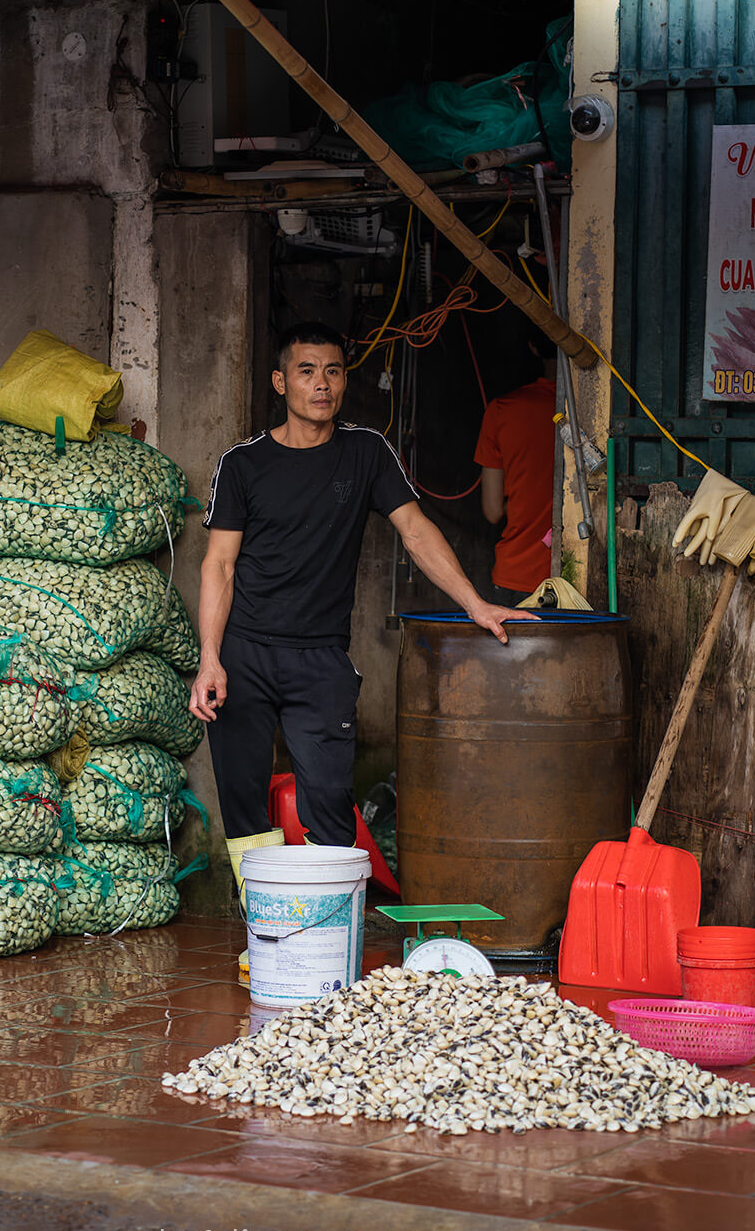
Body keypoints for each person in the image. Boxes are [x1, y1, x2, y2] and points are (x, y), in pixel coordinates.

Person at [189, 321, 537, 929]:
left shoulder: (366, 452)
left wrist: (475, 604)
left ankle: (326, 937)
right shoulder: (243, 464)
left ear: (345, 381)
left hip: (320, 659)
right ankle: (269, 933)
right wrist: (210, 658)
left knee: (327, 803)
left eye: (332, 371)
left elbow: (416, 531)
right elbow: (218, 563)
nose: (320, 385)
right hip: (243, 654)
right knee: (244, 810)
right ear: (280, 382)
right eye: (305, 371)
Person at [474, 333, 558, 603]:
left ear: (533, 346)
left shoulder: (502, 411)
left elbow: (492, 510)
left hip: (519, 573)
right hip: (581, 571)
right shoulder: (594, 412)